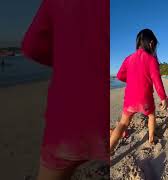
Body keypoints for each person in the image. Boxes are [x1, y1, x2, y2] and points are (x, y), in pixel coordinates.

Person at [22, 0, 109, 179]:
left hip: (67, 116)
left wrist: (66, 60)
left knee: (55, 167)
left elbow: (31, 47)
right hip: (102, 112)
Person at [110, 29, 167, 152]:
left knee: (123, 124)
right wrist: (163, 98)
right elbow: (157, 81)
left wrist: (131, 80)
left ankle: (109, 149)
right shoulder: (152, 60)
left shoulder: (128, 58)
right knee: (151, 115)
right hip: (145, 100)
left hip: (129, 100)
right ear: (151, 43)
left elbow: (119, 76)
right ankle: (151, 139)